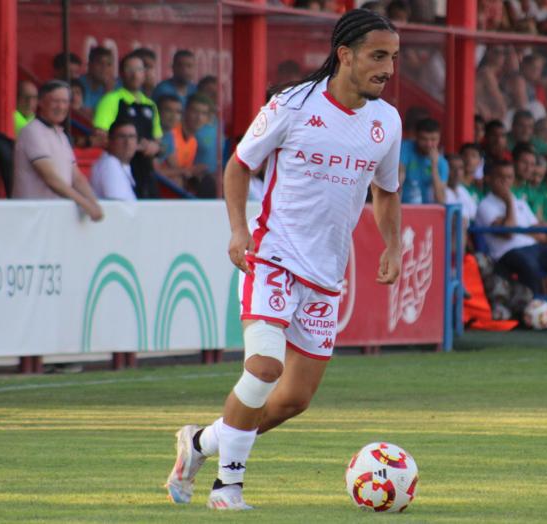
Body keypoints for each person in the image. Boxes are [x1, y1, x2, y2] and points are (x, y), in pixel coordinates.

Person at [164, 9, 403, 510]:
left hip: (325, 275)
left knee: (293, 401)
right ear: (346, 55)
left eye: (393, 58)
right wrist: (237, 229)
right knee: (265, 367)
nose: (388, 68)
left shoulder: (387, 121)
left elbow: (385, 192)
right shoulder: (292, 104)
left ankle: (202, 441)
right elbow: (238, 166)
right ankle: (227, 490)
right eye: (378, 56)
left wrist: (392, 243)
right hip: (272, 258)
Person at [475, 160, 547, 298]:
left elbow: (537, 231)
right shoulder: (485, 205)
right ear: (489, 179)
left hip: (533, 248)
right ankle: (533, 313)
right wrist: (508, 201)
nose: (505, 182)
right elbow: (508, 233)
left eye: (509, 177)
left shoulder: (520, 202)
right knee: (530, 267)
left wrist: (527, 231)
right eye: (500, 177)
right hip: (506, 253)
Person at [13, 80, 103, 221]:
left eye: (65, 101)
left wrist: (95, 203)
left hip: (52, 217)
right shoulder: (32, 131)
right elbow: (50, 178)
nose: (61, 106)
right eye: (55, 101)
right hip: (32, 219)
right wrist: (85, 203)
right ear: (41, 102)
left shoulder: (61, 134)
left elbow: (77, 177)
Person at [94, 52, 163, 198]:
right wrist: (131, 145)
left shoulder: (150, 105)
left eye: (138, 70)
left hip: (145, 170)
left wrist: (154, 147)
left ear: (144, 74)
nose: (134, 75)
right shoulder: (111, 100)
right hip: (120, 167)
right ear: (121, 73)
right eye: (129, 70)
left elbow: (158, 141)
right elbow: (100, 135)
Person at [160, 94, 215, 197]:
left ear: (207, 118)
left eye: (203, 113)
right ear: (185, 112)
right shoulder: (170, 132)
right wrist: (189, 170)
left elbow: (184, 173)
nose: (199, 118)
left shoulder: (193, 142)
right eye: (195, 111)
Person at [399, 117, 448, 204]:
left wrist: (434, 166)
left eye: (433, 139)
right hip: (404, 207)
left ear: (439, 138)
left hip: (428, 211)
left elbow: (441, 200)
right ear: (416, 137)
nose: (429, 144)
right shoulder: (405, 148)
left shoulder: (442, 163)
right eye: (424, 139)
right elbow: (398, 180)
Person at [91, 120, 138, 201]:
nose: (128, 142)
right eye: (122, 136)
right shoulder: (110, 164)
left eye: (132, 136)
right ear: (110, 140)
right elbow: (119, 207)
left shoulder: (120, 164)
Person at [80, 46, 115, 112]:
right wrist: (107, 94)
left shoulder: (117, 87)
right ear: (89, 65)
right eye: (100, 63)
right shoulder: (78, 85)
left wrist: (109, 92)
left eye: (109, 64)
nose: (104, 68)